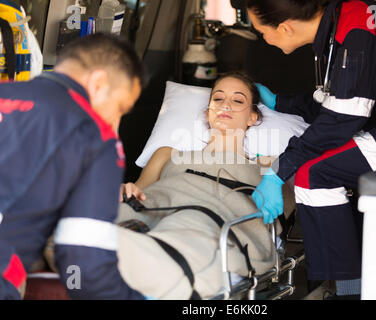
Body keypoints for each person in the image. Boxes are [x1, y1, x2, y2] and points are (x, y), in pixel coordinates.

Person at [246, 0, 376, 299]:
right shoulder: (347, 19)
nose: (264, 39)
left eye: (262, 31)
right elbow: (340, 98)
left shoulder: (356, 33)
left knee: (313, 177)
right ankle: (357, 283)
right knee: (324, 173)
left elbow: (341, 118)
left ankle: (349, 293)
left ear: (285, 27)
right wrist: (281, 103)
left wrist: (277, 173)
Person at [0, 33, 148, 299]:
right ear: (99, 83)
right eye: (119, 108)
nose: (115, 123)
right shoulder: (94, 137)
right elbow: (82, 265)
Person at [120, 71, 269, 203]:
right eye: (218, 99)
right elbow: (137, 196)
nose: (225, 105)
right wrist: (126, 190)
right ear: (207, 113)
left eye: (237, 100)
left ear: (252, 117)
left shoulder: (266, 167)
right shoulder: (166, 155)